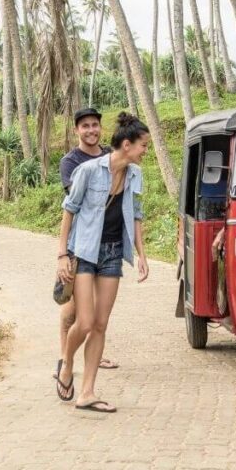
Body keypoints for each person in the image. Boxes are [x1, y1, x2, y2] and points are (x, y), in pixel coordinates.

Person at [54, 112, 150, 413]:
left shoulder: (135, 174)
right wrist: (62, 255)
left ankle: (87, 392)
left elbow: (134, 214)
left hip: (111, 252)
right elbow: (69, 210)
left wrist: (142, 255)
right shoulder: (87, 170)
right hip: (84, 251)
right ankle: (67, 364)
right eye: (143, 145)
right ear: (126, 145)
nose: (146, 151)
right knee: (83, 321)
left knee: (100, 324)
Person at [56, 107, 117, 380]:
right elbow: (78, 200)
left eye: (95, 125)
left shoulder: (108, 155)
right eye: (85, 126)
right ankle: (64, 357)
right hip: (79, 241)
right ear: (76, 130)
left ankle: (92, 351)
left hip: (106, 241)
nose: (91, 130)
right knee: (72, 306)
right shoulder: (70, 162)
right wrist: (62, 253)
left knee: (94, 305)